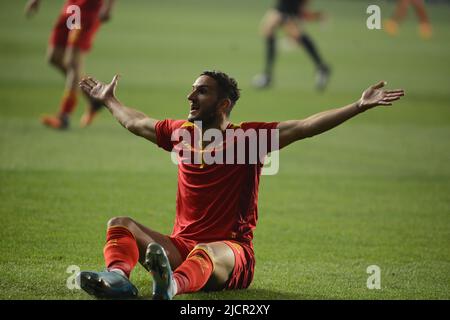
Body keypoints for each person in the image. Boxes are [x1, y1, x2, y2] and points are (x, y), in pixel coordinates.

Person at [77, 71, 404, 299]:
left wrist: (358, 106)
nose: (190, 95)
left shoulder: (249, 139)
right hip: (181, 245)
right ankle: (118, 278)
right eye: (192, 89)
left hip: (231, 255)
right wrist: (109, 100)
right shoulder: (182, 134)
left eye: (201, 91)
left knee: (207, 251)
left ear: (223, 104)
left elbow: (304, 126)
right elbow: (136, 122)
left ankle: (170, 286)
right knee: (120, 225)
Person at [24, 0, 116, 129]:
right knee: (54, 57)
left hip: (89, 8)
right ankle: (93, 98)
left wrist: (108, 6)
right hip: (72, 7)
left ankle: (64, 116)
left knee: (73, 62)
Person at [253, 0, 330, 90]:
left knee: (294, 33)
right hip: (285, 7)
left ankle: (321, 67)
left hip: (290, 8)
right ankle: (267, 75)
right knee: (269, 29)